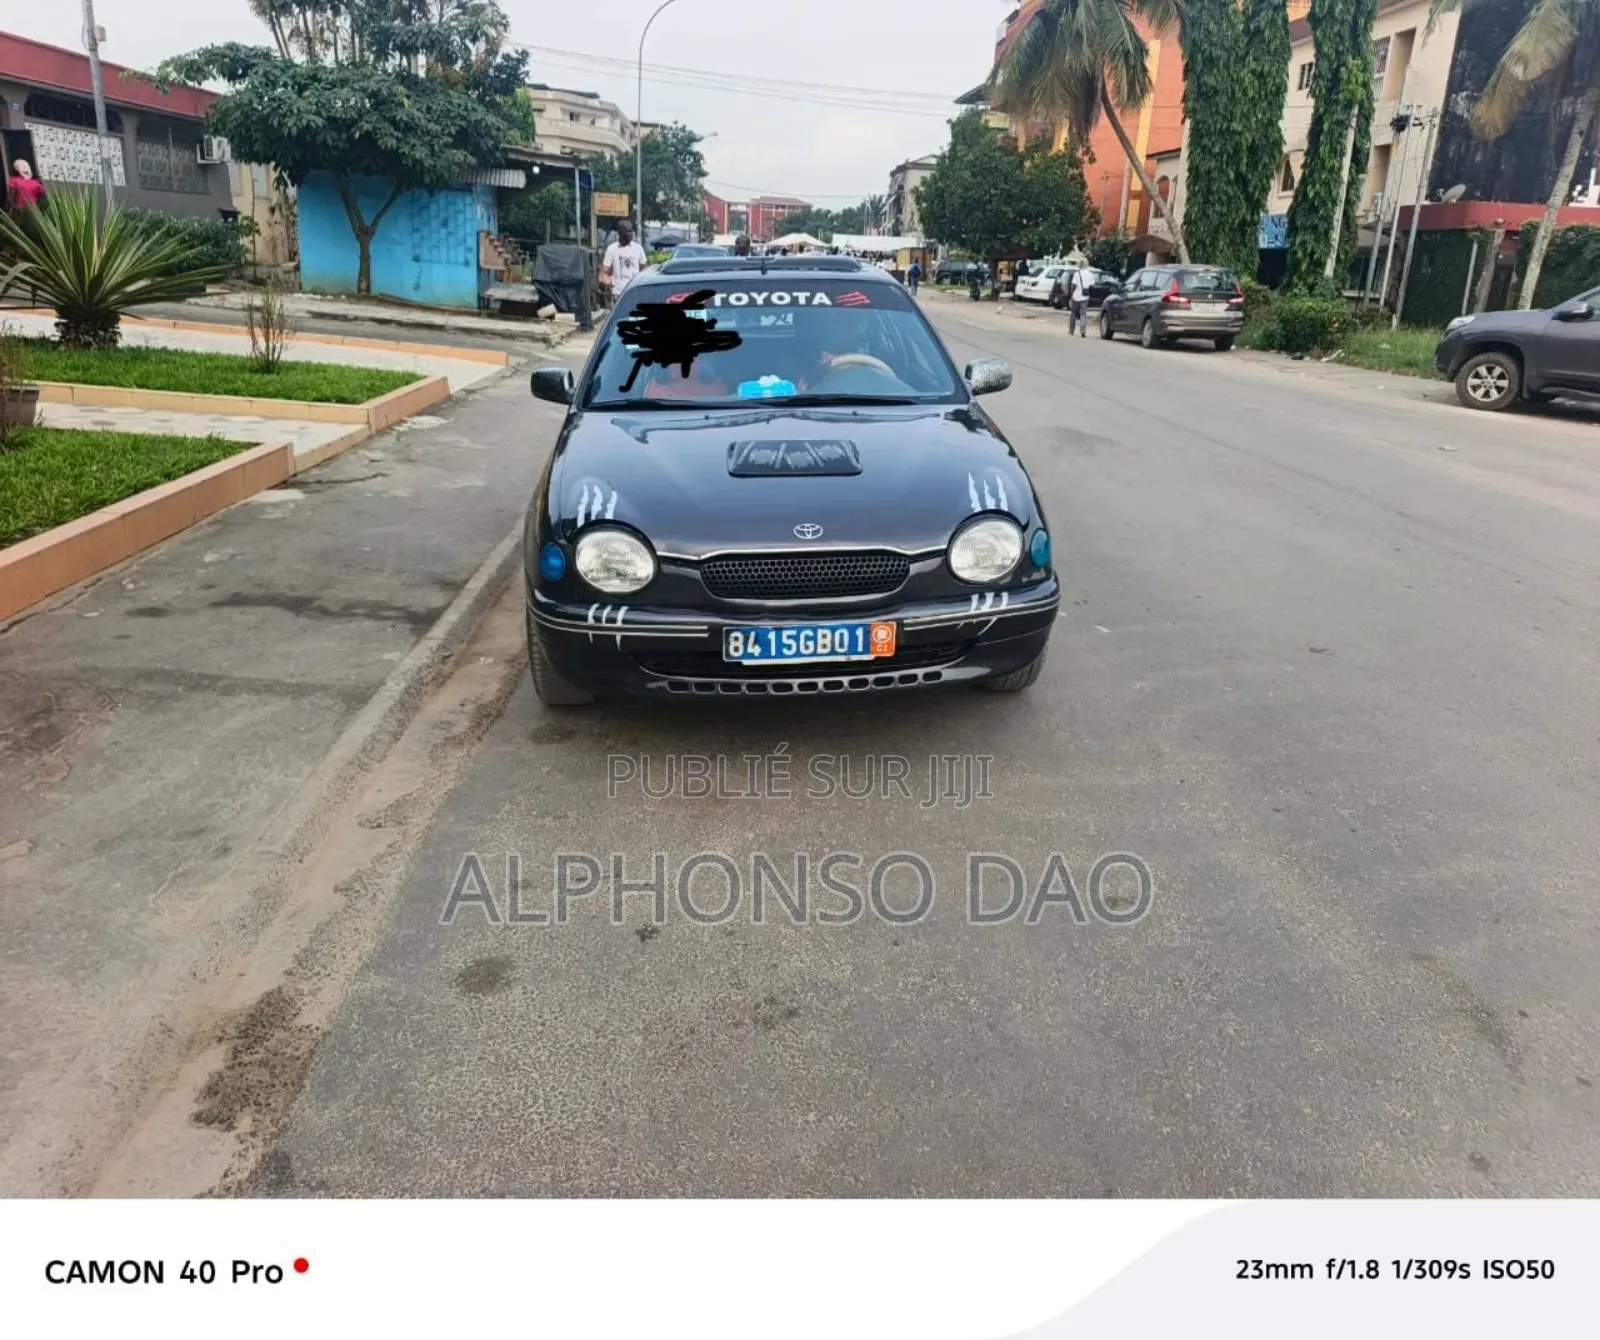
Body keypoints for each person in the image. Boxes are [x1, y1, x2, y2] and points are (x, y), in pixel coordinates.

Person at [601, 221, 647, 300]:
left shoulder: (638, 248)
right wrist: (610, 286)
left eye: (631, 231)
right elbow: (605, 271)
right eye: (628, 231)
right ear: (620, 233)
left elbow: (644, 268)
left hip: (634, 291)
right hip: (618, 293)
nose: (631, 234)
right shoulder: (612, 249)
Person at [1067, 265, 1091, 337]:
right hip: (1085, 296)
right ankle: (1082, 329)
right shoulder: (1090, 274)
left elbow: (1073, 285)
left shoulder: (1076, 274)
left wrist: (1071, 294)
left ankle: (1071, 330)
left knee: (1073, 313)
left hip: (1076, 296)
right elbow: (1092, 284)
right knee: (1083, 314)